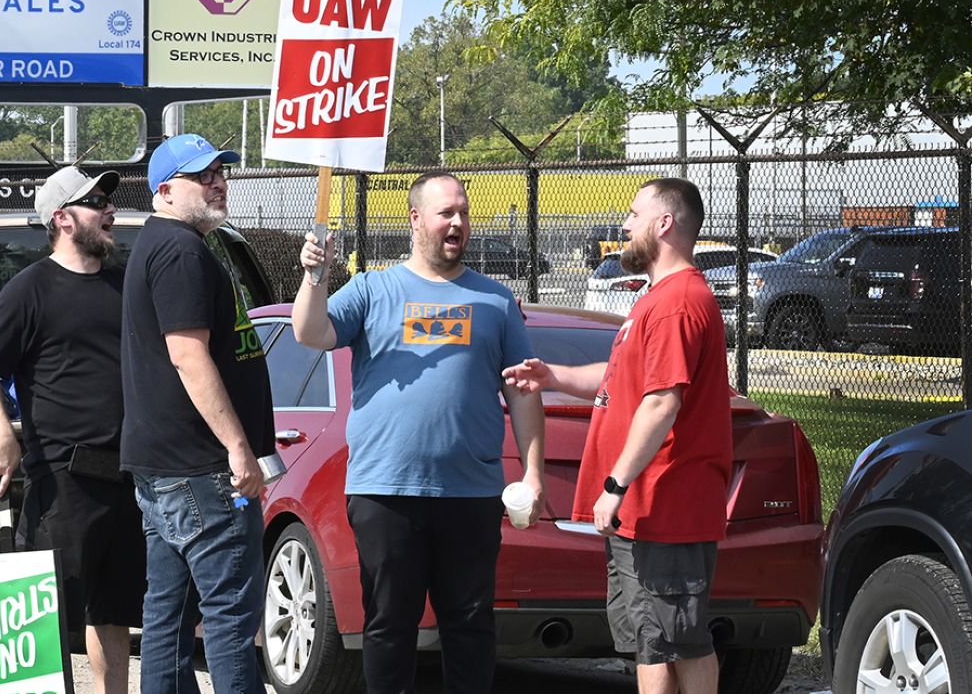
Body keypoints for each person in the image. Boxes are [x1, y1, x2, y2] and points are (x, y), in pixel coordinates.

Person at [293, 170, 545, 694]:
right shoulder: (372, 288)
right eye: (445, 212)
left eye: (463, 213)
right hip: (385, 490)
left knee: (470, 626)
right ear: (414, 219)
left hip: (470, 493)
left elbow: (524, 391)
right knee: (388, 624)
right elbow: (311, 333)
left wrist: (534, 475)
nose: (457, 222)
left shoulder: (496, 301)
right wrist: (314, 277)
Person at [503, 178, 733, 694]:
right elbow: (618, 382)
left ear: (663, 223)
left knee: (680, 639)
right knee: (652, 643)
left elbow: (661, 403)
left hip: (665, 504)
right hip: (643, 511)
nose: (624, 226)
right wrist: (552, 376)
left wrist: (616, 485)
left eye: (633, 214)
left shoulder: (677, 303)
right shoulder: (654, 300)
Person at [0, 166, 145, 694]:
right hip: (64, 477)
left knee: (111, 610)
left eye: (107, 201)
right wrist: (2, 433)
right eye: (96, 204)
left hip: (127, 474)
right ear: (63, 219)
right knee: (36, 614)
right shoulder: (31, 288)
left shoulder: (123, 281)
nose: (109, 210)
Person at [120, 133, 275, 694]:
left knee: (168, 616)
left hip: (169, 467)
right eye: (201, 175)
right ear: (164, 190)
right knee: (231, 619)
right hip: (202, 471)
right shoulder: (181, 250)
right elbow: (188, 355)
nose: (217, 182)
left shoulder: (166, 245)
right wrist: (238, 448)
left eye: (219, 172)